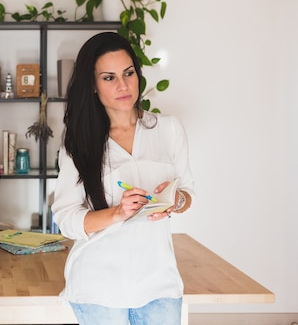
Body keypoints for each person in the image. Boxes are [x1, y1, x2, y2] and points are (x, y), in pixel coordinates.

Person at [51, 32, 195, 325]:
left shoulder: (168, 129)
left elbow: (188, 193)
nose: (123, 85)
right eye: (109, 77)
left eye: (128, 73)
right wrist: (117, 213)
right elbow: (66, 219)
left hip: (160, 284)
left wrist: (175, 200)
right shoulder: (79, 141)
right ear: (93, 85)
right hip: (99, 287)